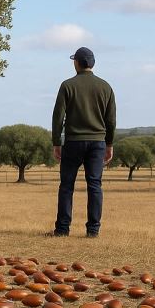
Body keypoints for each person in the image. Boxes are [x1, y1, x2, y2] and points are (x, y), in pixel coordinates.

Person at [50, 47, 116, 237]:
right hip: (97, 143)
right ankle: (93, 230)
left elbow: (58, 117)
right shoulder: (106, 87)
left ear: (76, 63)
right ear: (92, 63)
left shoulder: (67, 85)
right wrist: (109, 144)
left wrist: (56, 142)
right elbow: (111, 120)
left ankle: (62, 229)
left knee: (66, 186)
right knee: (94, 185)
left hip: (73, 142)